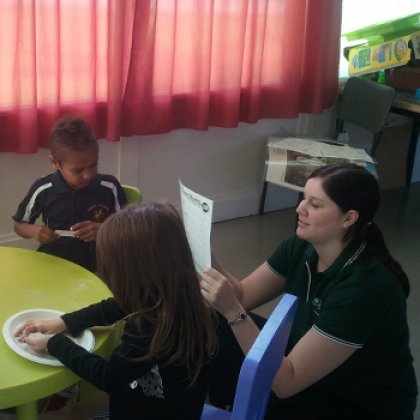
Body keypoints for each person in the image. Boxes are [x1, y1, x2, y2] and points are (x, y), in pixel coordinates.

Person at [200, 163, 417, 419]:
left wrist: (233, 312)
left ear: (349, 218)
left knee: (230, 325)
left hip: (353, 402)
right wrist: (203, 248)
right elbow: (244, 296)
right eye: (304, 198)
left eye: (315, 205)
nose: (299, 209)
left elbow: (286, 382)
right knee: (212, 323)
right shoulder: (302, 245)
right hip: (307, 370)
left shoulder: (363, 289)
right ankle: (228, 405)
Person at [15, 202, 218, 420]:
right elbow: (118, 305)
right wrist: (65, 322)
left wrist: (54, 344)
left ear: (129, 274)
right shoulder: (178, 295)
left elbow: (109, 378)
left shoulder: (147, 328)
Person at [12, 115, 127, 271]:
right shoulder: (43, 189)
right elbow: (19, 225)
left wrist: (103, 229)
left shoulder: (109, 186)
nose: (88, 175)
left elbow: (128, 228)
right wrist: (34, 231)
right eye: (78, 170)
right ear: (54, 163)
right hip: (54, 262)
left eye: (93, 165)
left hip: (99, 263)